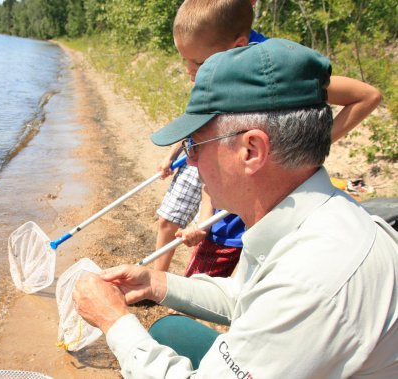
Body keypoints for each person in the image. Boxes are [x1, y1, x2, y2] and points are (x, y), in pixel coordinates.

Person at [73, 38, 398, 378]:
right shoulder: (302, 216)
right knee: (168, 333)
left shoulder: (312, 281)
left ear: (251, 150)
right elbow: (244, 295)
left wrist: (114, 322)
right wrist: (156, 283)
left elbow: (285, 294)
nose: (191, 162)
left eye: (195, 145)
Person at [157, 0, 382, 278]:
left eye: (199, 63)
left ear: (237, 46)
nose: (191, 73)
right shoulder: (220, 70)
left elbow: (366, 95)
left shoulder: (273, 70)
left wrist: (305, 148)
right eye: (185, 61)